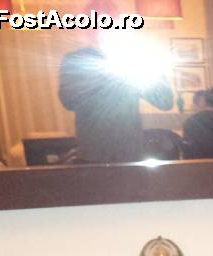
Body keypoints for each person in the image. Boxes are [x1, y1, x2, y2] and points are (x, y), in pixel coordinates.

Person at [57, 2, 174, 163]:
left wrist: (150, 63)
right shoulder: (77, 60)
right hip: (93, 155)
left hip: (127, 155)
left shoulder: (133, 57)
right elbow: (68, 101)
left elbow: (165, 101)